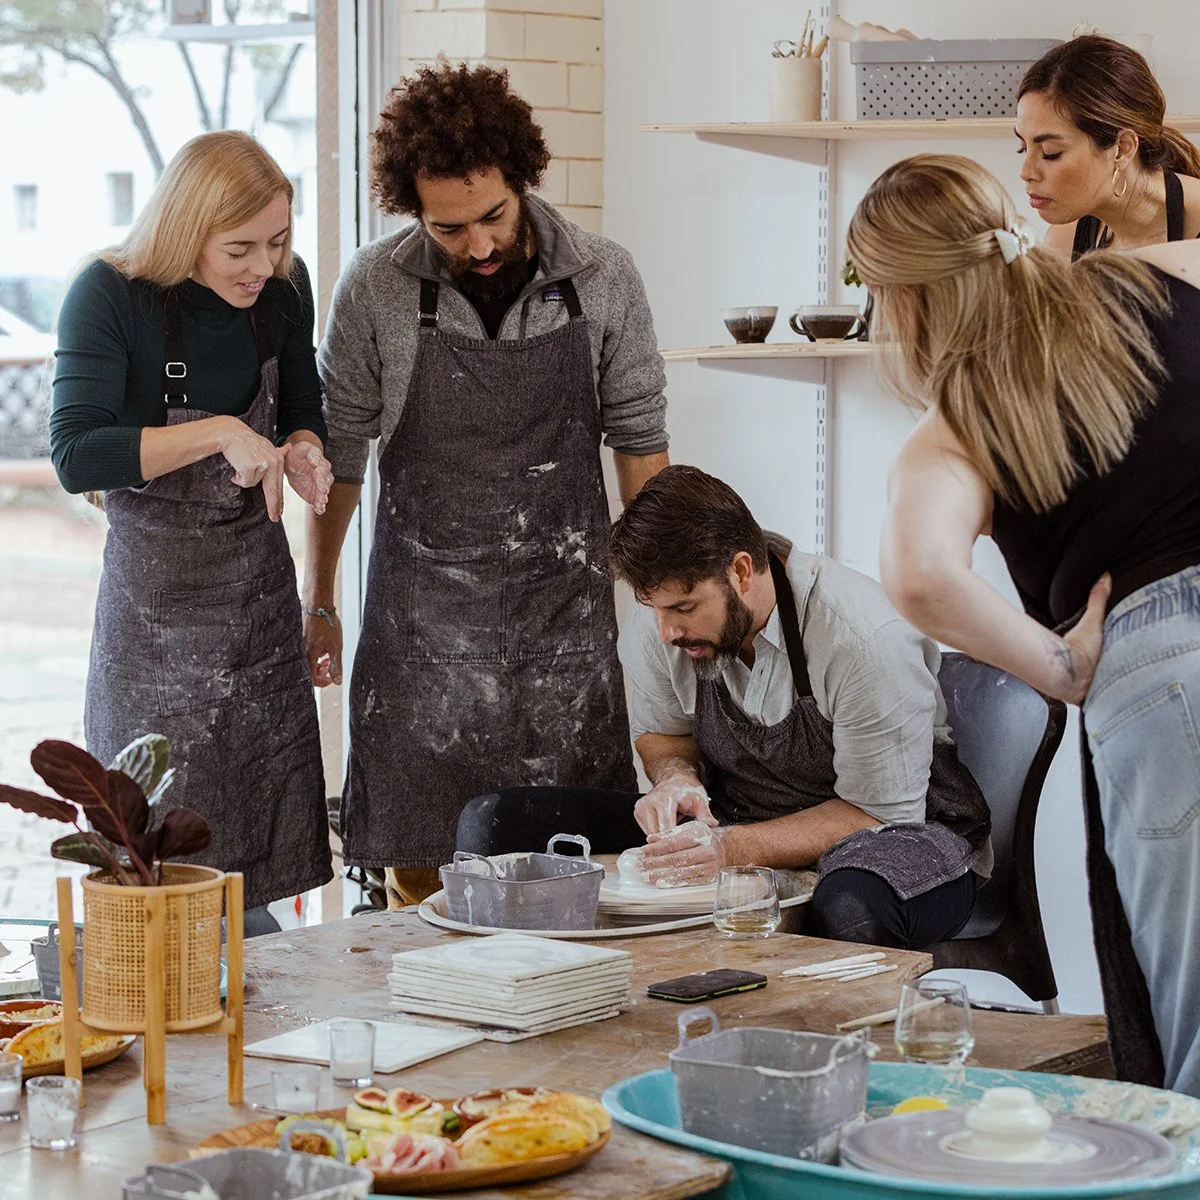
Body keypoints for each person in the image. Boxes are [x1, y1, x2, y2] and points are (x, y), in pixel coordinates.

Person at [847, 152, 1200, 1093]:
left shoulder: (959, 418)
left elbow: (922, 575)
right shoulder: (1156, 272)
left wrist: (1059, 669)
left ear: (904, 299)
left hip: (1168, 673)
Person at [306, 61, 670, 906]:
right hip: (421, 658)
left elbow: (643, 450)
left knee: (571, 897)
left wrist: (665, 608)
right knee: (422, 909)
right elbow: (341, 460)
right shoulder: (374, 287)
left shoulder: (605, 279)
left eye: (492, 216)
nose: (476, 245)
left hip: (564, 647)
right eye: (447, 227)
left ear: (523, 176)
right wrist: (318, 598)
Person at [457, 466, 991, 951]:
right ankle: (535, 1009)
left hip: (896, 836)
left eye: (684, 608)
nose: (668, 630)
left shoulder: (864, 639)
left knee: (852, 908)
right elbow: (664, 737)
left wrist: (731, 850)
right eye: (657, 609)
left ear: (740, 571)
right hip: (735, 820)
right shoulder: (662, 623)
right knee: (497, 824)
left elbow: (876, 811)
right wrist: (674, 780)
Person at [50, 131, 334, 934]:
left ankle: (256, 1010)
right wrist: (216, 431)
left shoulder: (284, 289)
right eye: (238, 247)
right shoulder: (110, 294)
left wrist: (306, 452)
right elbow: (76, 454)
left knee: (255, 848)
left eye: (277, 242)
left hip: (257, 609)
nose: (261, 266)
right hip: (155, 623)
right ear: (185, 230)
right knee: (155, 860)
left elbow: (303, 402)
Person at [1016, 35, 1200, 256]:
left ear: (1122, 149)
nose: (1025, 172)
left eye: (1050, 153)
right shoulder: (1064, 239)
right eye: (1023, 148)